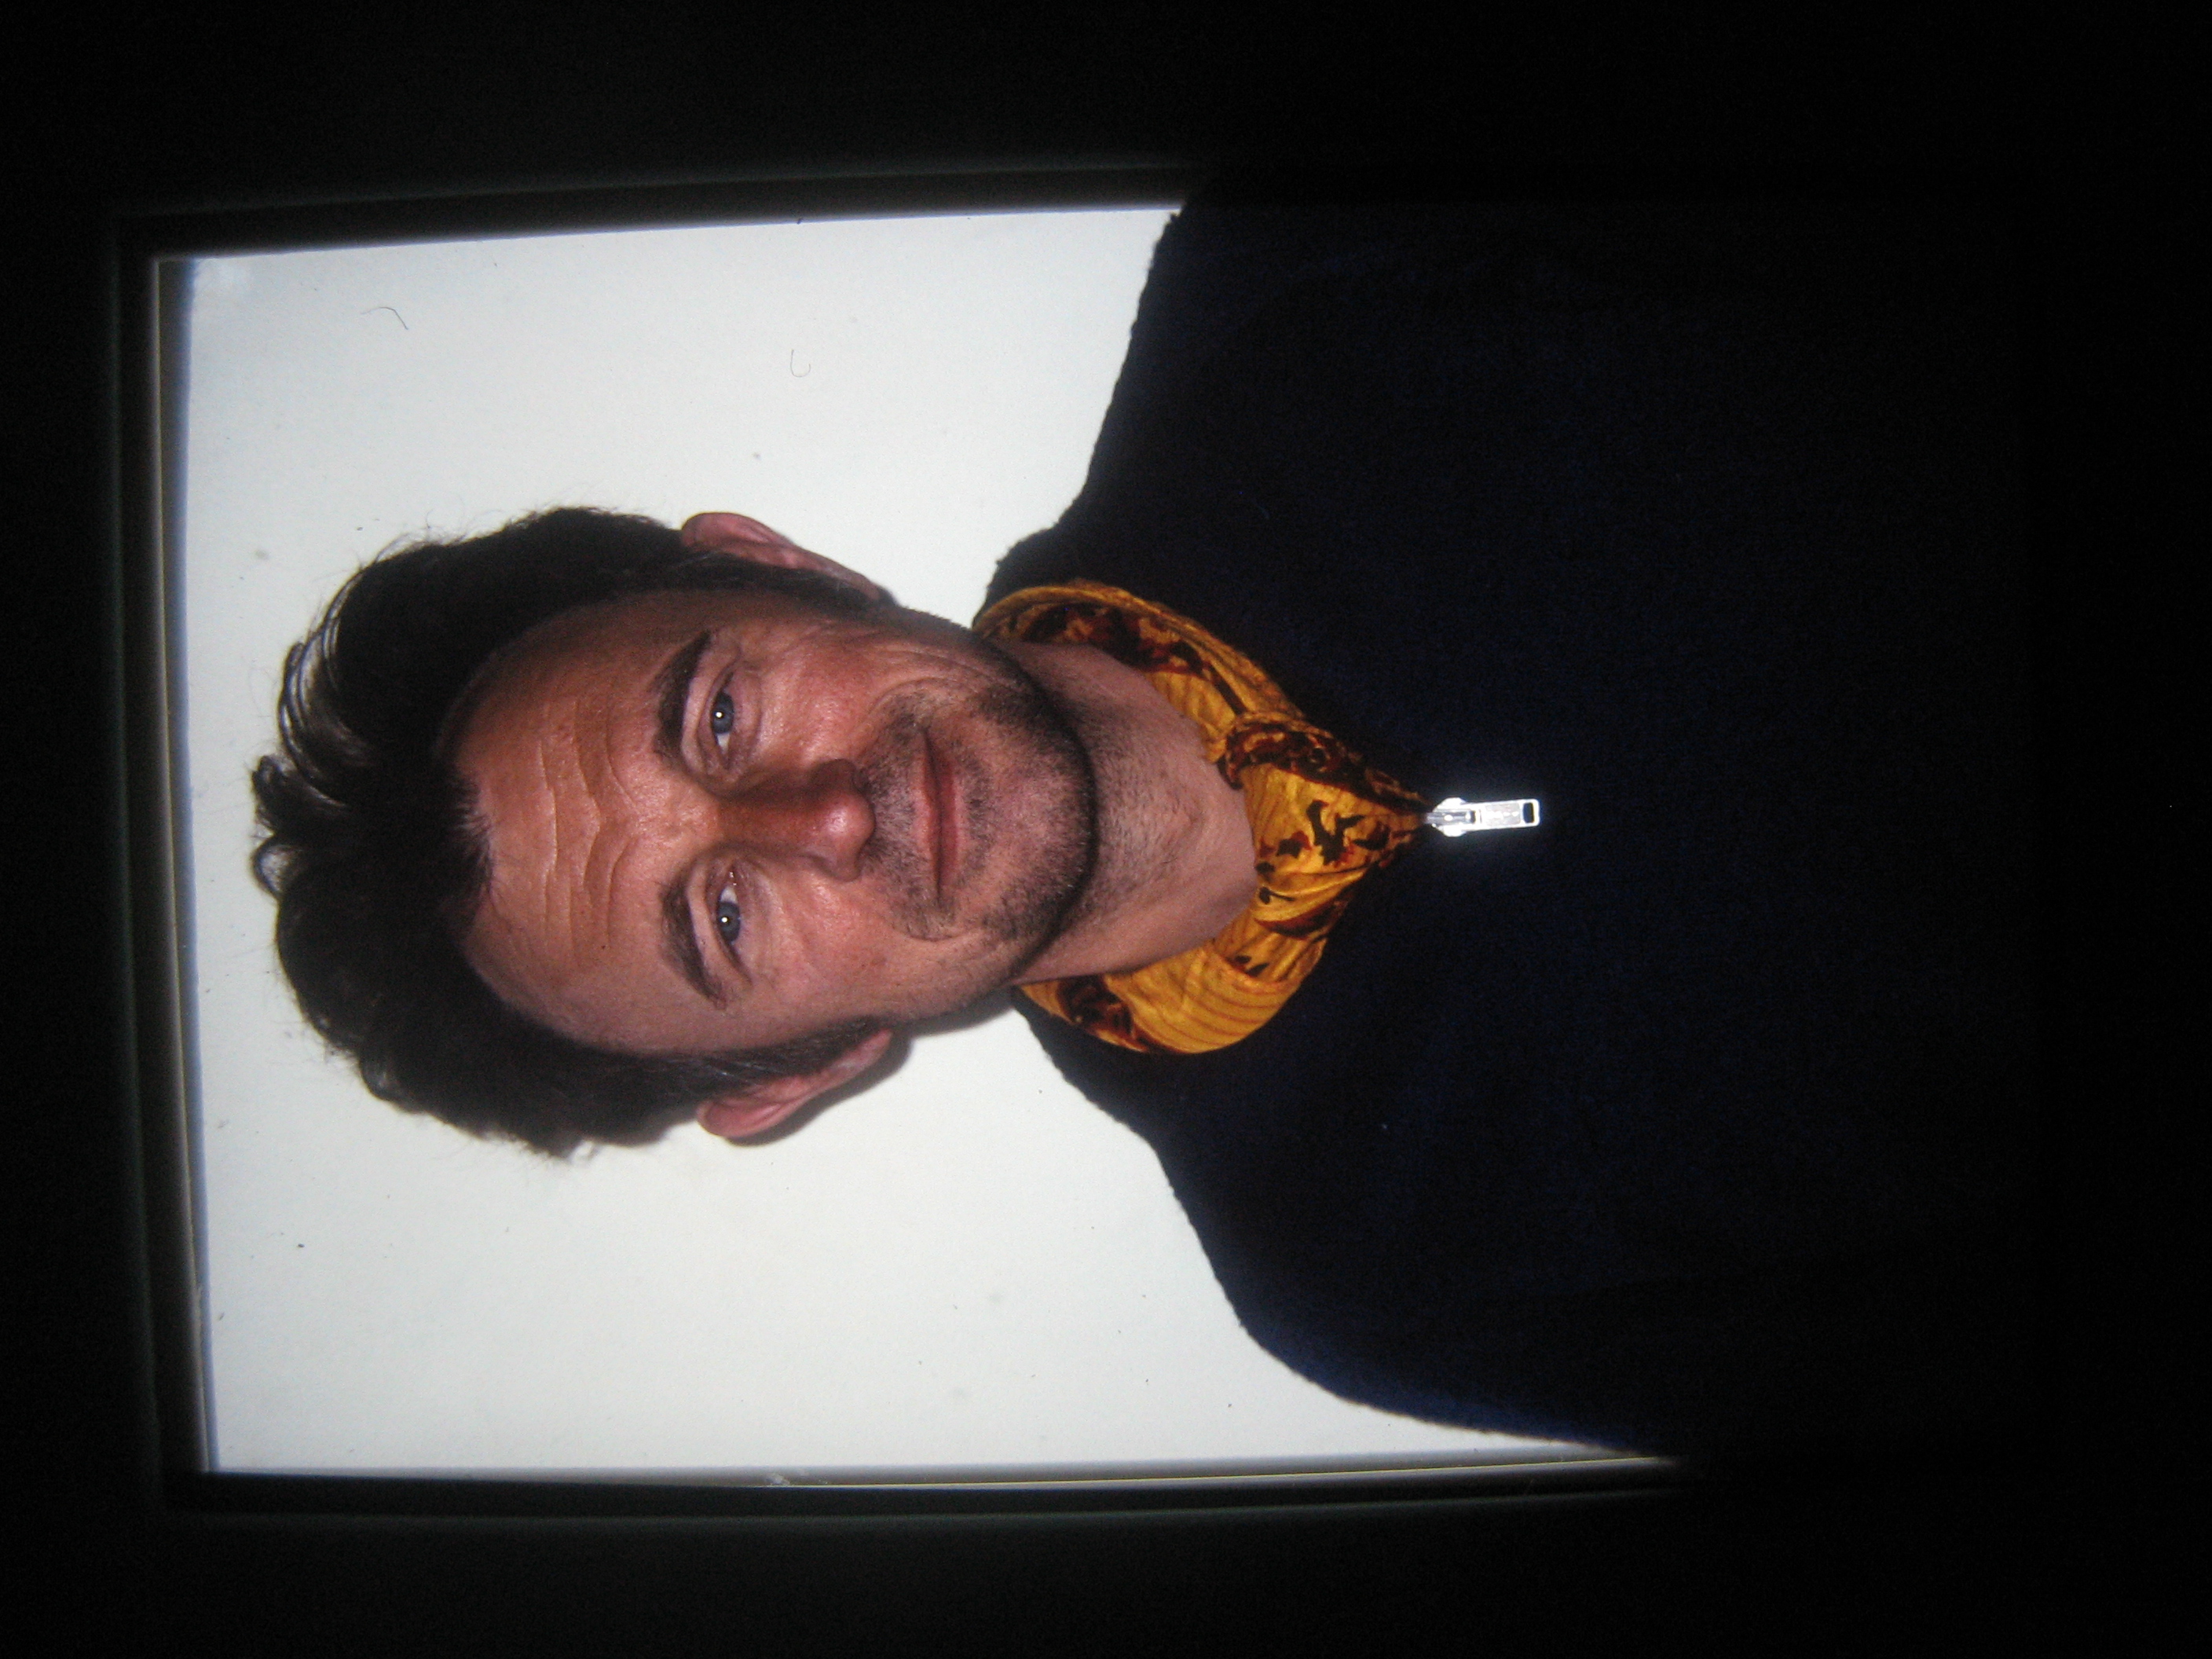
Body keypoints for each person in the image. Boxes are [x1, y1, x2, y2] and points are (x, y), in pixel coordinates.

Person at [254, 191, 2031, 1458]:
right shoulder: (1375, 1287)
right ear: (793, 1071)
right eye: (723, 919)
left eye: (719, 715)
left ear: (770, 564)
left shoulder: (1302, 267)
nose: (825, 817)